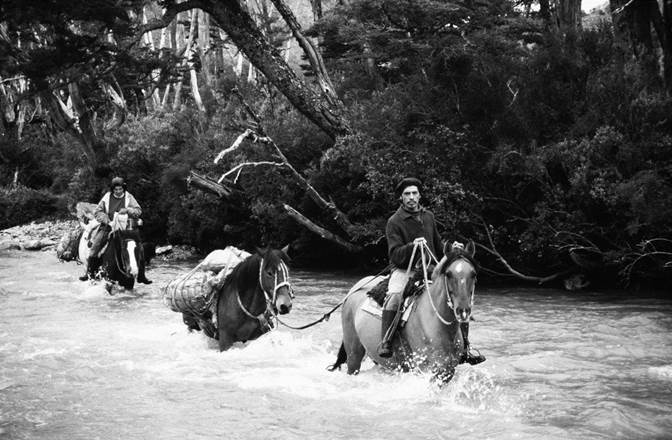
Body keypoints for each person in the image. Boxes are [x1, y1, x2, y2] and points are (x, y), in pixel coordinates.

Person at [378, 177, 485, 365]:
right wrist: (412, 246)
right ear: (401, 198)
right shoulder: (394, 221)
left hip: (431, 269)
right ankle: (385, 342)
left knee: (458, 297)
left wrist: (450, 247)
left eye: (414, 193)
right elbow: (394, 254)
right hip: (406, 270)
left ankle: (465, 347)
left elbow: (437, 245)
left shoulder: (428, 217)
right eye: (407, 194)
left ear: (419, 196)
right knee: (394, 297)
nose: (411, 197)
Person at [79, 177, 152, 284]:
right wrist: (107, 220)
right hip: (108, 227)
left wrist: (128, 210)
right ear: (112, 189)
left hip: (126, 227)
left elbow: (138, 211)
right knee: (95, 248)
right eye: (116, 189)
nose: (118, 191)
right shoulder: (106, 197)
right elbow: (98, 212)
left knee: (139, 248)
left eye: (120, 189)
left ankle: (141, 276)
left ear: (123, 188)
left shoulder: (129, 197)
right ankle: (90, 274)